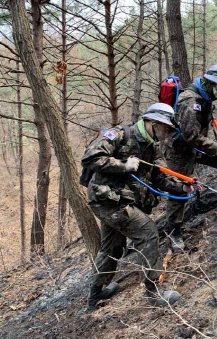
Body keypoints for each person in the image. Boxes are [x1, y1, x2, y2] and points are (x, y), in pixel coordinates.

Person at [81, 103, 195, 311]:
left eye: (168, 130)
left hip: (120, 202)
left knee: (111, 248)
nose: (164, 133)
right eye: (163, 128)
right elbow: (90, 157)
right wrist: (123, 166)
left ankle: (95, 295)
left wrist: (182, 188)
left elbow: (159, 177)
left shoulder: (152, 147)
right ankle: (154, 293)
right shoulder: (119, 135)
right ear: (150, 122)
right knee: (149, 233)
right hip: (107, 200)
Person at [163, 64, 217, 252]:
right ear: (209, 83)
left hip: (196, 145)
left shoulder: (205, 98)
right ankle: (174, 232)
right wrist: (216, 148)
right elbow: (191, 136)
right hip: (179, 150)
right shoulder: (190, 102)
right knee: (179, 189)